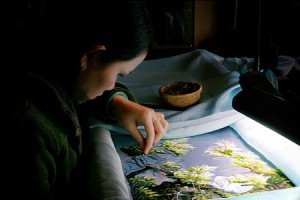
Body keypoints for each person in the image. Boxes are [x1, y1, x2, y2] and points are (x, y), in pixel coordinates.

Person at [7, 0, 168, 199]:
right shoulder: (27, 129)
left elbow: (77, 89)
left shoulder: (50, 70)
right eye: (119, 74)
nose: (112, 85)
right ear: (92, 56)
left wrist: (117, 102)